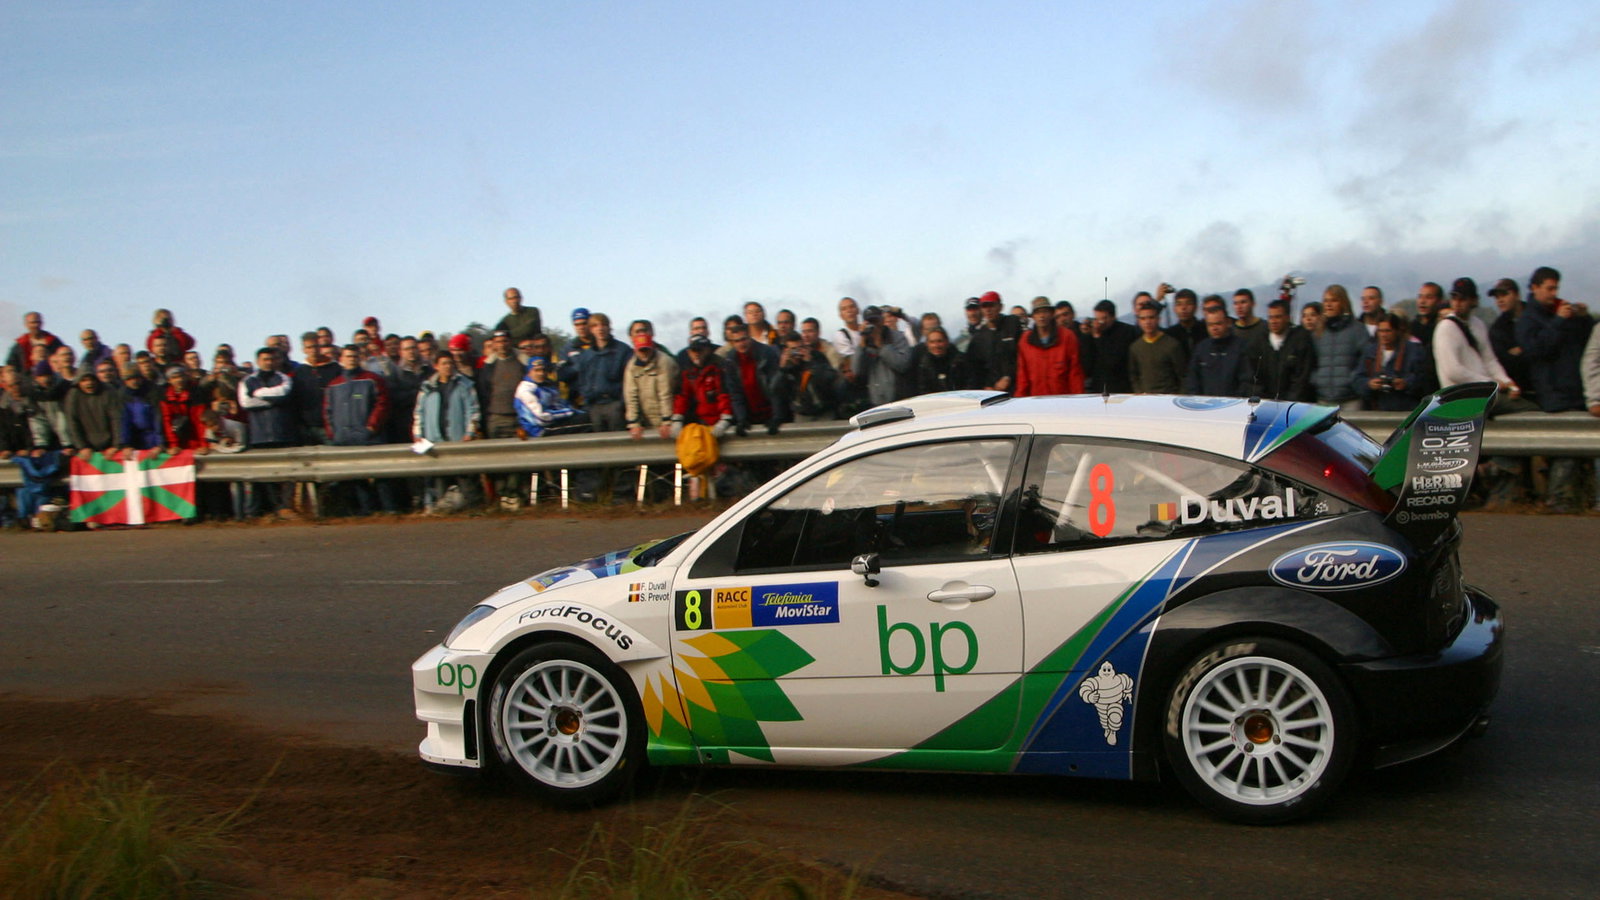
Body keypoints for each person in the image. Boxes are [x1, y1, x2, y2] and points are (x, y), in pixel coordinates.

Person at [1515, 266, 1594, 510]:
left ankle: (1574, 498)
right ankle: (1559, 500)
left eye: (1556, 288)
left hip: (1572, 390)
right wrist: (1559, 321)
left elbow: (1582, 343)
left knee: (1578, 451)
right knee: (1565, 450)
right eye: (1549, 288)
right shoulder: (1528, 319)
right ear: (1534, 288)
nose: (1553, 293)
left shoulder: (1558, 314)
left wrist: (1583, 317)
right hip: (1554, 393)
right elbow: (1537, 351)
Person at [323, 345, 394, 515]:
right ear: (341, 359)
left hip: (370, 437)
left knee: (381, 476)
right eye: (348, 356)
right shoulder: (334, 385)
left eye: (355, 356)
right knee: (355, 478)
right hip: (344, 439)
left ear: (360, 358)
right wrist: (333, 433)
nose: (351, 359)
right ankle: (365, 511)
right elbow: (327, 411)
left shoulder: (372, 379)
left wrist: (371, 427)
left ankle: (390, 510)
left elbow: (382, 404)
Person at [413, 352, 481, 513]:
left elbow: (474, 411)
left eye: (450, 363)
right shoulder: (427, 388)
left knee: (463, 476)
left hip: (458, 439)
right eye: (443, 363)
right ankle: (439, 508)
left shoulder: (465, 385)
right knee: (438, 476)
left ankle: (472, 507)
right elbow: (418, 413)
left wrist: (470, 432)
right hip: (433, 439)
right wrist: (418, 434)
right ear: (436, 366)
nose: (448, 366)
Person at [1352, 314, 1428, 411]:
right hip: (1377, 408)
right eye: (1381, 331)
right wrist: (1369, 384)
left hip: (1406, 407)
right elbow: (1357, 378)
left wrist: (1406, 383)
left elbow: (1423, 379)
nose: (1384, 335)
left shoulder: (1414, 350)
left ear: (1397, 331)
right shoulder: (1370, 352)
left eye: (1388, 331)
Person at [721, 321, 786, 434]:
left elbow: (776, 387)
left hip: (770, 410)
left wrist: (777, 417)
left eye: (744, 339)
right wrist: (741, 419)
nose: (741, 343)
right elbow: (735, 393)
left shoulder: (766, 353)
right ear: (732, 342)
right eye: (737, 341)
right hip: (751, 413)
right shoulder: (730, 360)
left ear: (749, 337)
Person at [1309, 285, 1367, 409]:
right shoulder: (1318, 331)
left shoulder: (1357, 329)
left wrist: (1353, 380)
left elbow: (1365, 360)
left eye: (1334, 300)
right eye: (1326, 301)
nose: (1329, 305)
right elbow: (1311, 362)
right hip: (1323, 399)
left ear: (1343, 303)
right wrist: (1317, 379)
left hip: (1351, 399)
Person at [1015, 295, 1085, 397]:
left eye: (1045, 311)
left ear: (1052, 314)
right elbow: (1023, 376)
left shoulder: (1067, 336)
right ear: (1033, 316)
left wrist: (1079, 400)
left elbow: (1075, 373)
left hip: (1063, 401)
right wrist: (1019, 402)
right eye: (1038, 312)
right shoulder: (1025, 340)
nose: (1041, 316)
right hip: (1036, 401)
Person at [1249, 299, 1316, 401]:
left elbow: (1302, 378)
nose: (1273, 321)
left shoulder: (1301, 339)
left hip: (1295, 405)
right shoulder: (1259, 342)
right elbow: (1254, 376)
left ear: (1287, 318)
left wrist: (1289, 403)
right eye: (1270, 317)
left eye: (1278, 317)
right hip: (1267, 404)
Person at [671, 335, 735, 436]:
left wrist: (725, 419)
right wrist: (677, 418)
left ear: (708, 350)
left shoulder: (719, 368)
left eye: (700, 350)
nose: (696, 354)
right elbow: (683, 396)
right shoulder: (687, 371)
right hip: (697, 423)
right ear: (688, 352)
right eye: (693, 350)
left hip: (718, 422)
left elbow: (724, 394)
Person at [1185, 306, 1255, 397]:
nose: (1214, 328)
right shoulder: (1201, 349)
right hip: (1206, 406)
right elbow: (1192, 380)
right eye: (1210, 325)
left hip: (1234, 405)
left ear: (1228, 323)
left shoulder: (1240, 347)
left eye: (1218, 324)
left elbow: (1247, 380)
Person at [623, 329, 679, 440]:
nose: (644, 354)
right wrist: (634, 423)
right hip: (647, 416)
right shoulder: (631, 366)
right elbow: (630, 396)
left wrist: (667, 421)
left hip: (667, 414)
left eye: (646, 350)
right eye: (641, 350)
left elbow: (665, 393)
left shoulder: (664, 362)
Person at [852, 306, 911, 407]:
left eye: (876, 320)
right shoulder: (864, 342)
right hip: (875, 401)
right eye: (870, 321)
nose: (874, 325)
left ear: (882, 320)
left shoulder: (897, 337)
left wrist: (881, 345)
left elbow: (903, 365)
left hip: (898, 398)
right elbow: (856, 371)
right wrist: (862, 343)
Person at [781, 327, 844, 420]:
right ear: (786, 350)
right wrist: (782, 367)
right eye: (793, 349)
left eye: (799, 348)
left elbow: (828, 377)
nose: (797, 353)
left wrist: (810, 363)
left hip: (824, 410)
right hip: (801, 412)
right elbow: (777, 388)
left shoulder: (816, 356)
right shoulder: (785, 365)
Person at [967, 291, 1022, 392]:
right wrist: (986, 387)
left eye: (991, 305)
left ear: (1000, 307)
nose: (988, 310)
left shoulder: (1013, 324)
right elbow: (976, 369)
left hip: (1017, 386)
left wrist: (1008, 376)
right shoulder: (978, 338)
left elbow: (1021, 355)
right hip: (992, 392)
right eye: (984, 306)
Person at [1128, 301, 1187, 394]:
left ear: (1158, 319)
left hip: (1169, 398)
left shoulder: (1172, 345)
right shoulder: (1135, 347)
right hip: (1145, 398)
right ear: (1139, 321)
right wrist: (1139, 392)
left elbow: (1182, 376)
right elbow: (1134, 375)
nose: (1147, 322)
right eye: (1143, 319)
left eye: (1151, 317)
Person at [64, 369, 123, 456]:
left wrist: (116, 445)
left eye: (91, 379)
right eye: (84, 380)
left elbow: (116, 419)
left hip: (110, 445)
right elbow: (72, 422)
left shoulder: (108, 391)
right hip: (87, 447)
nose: (89, 383)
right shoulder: (73, 395)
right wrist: (82, 446)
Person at [1488, 277, 1531, 394]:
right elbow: (1506, 361)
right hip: (1521, 388)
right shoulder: (1497, 329)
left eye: (1504, 295)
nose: (1500, 300)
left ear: (1517, 295)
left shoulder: (1535, 315)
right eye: (1497, 297)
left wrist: (1523, 349)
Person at [908, 326, 975, 396]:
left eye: (939, 341)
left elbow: (970, 384)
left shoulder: (961, 361)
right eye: (932, 342)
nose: (936, 345)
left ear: (947, 342)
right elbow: (923, 390)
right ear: (927, 344)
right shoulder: (923, 366)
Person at [1088, 300, 1138, 393]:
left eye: (1104, 318)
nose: (1100, 322)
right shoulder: (1091, 333)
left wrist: (1098, 337)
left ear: (1113, 316)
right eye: (1097, 319)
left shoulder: (1127, 332)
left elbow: (1113, 361)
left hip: (1121, 388)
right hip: (1098, 389)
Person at [157, 366, 209, 452]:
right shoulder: (165, 397)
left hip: (196, 441)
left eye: (181, 376)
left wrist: (204, 444)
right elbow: (167, 422)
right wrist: (174, 445)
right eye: (174, 378)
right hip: (178, 442)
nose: (179, 380)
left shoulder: (196, 393)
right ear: (169, 380)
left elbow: (200, 421)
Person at [1162, 288, 1206, 356]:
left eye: (1188, 303)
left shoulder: (1206, 330)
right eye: (1179, 304)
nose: (1183, 308)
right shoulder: (1170, 335)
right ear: (1174, 308)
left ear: (1196, 307)